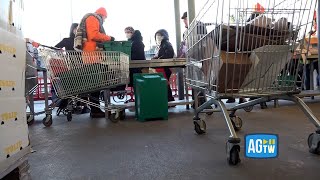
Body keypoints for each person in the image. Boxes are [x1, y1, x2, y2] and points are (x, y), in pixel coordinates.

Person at [76, 7, 114, 118]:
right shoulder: (93, 18)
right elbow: (93, 35)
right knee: (95, 85)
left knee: (95, 84)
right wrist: (109, 38)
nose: (104, 20)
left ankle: (95, 109)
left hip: (91, 55)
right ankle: (95, 110)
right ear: (102, 15)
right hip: (92, 55)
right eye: (105, 18)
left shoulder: (91, 18)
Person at [53, 23, 91, 114]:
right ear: (72, 30)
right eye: (76, 29)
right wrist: (62, 55)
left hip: (82, 65)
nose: (77, 30)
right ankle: (74, 104)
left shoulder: (83, 40)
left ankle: (83, 104)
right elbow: (55, 48)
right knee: (73, 85)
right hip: (71, 66)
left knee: (83, 85)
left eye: (79, 29)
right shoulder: (67, 40)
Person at [153, 29, 175, 102]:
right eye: (157, 36)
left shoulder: (166, 43)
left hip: (165, 67)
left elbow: (169, 54)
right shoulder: (161, 45)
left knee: (165, 83)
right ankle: (169, 99)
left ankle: (169, 99)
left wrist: (159, 59)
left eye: (160, 35)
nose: (158, 37)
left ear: (164, 36)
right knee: (165, 83)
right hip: (165, 67)